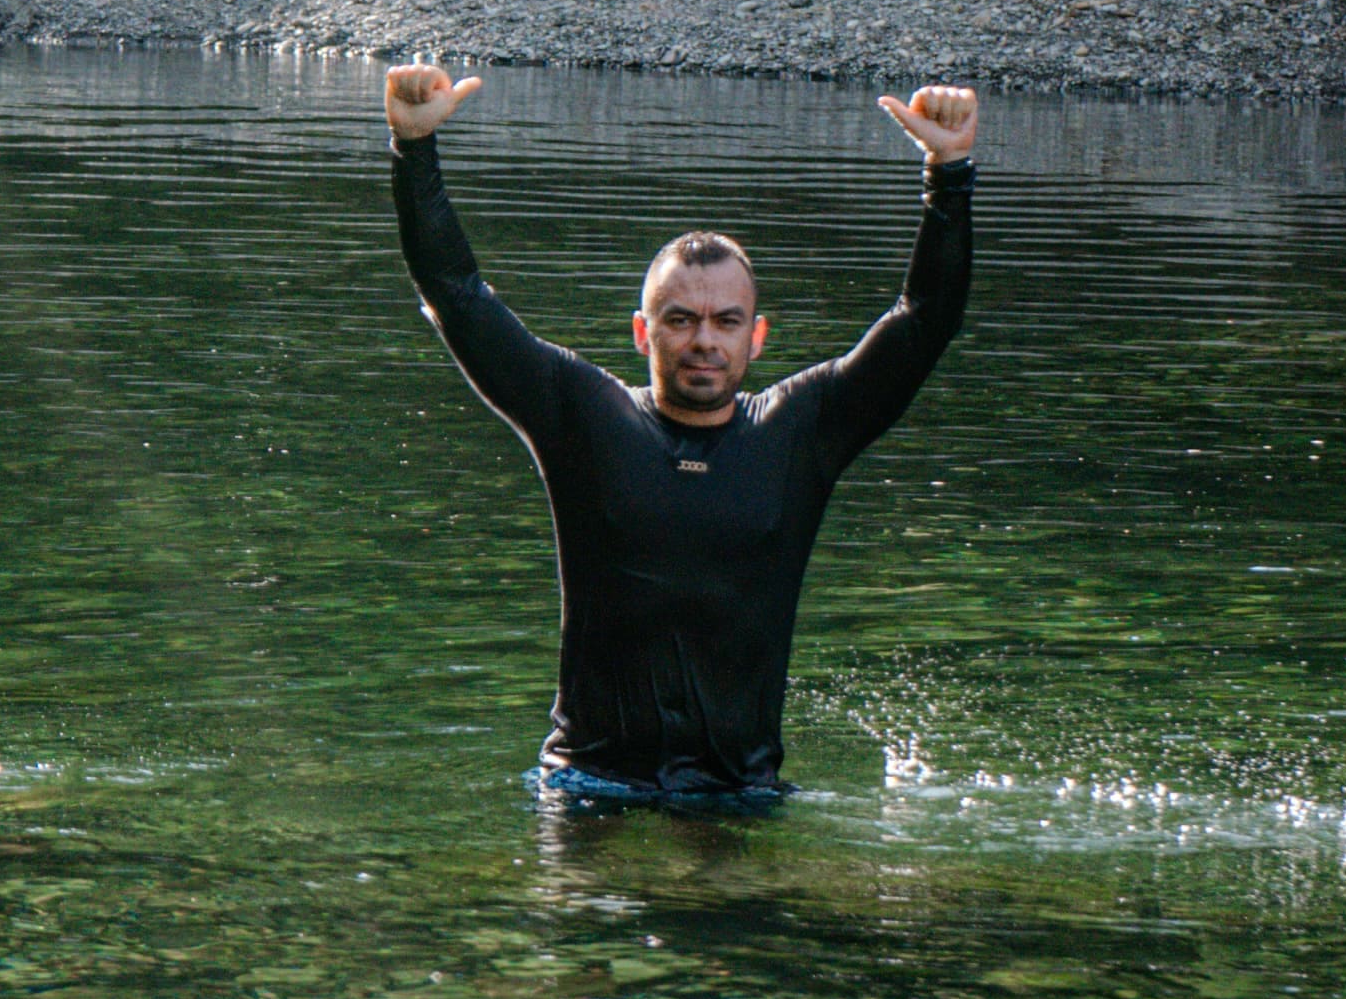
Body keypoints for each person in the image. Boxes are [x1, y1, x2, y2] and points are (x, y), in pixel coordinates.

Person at [384, 60, 977, 804]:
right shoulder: (583, 416)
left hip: (743, 798)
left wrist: (948, 174)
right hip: (590, 788)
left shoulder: (802, 432)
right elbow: (456, 297)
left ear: (756, 338)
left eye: (726, 322)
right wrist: (414, 152)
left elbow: (925, 323)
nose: (705, 340)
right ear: (642, 332)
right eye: (681, 319)